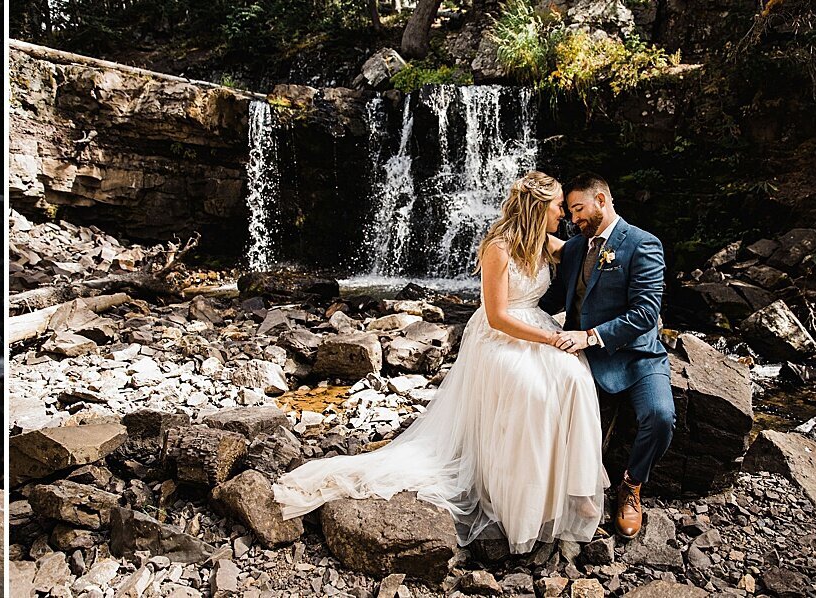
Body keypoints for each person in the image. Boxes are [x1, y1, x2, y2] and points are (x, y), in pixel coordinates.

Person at [272, 170, 609, 554]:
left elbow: (591, 252)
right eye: (557, 206)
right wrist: (551, 337)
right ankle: (518, 496)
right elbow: (498, 316)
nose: (564, 214)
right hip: (500, 336)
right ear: (536, 208)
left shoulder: (546, 243)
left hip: (536, 325)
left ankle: (577, 487)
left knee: (575, 375)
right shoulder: (498, 247)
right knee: (530, 388)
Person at [540, 171, 672, 538]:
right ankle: (573, 488)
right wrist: (510, 316)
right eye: (569, 211)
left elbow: (646, 312)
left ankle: (631, 485)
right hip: (585, 359)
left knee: (660, 417)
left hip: (638, 355)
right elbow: (553, 300)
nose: (574, 218)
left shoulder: (644, 244)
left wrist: (590, 335)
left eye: (579, 208)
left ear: (601, 200)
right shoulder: (574, 249)